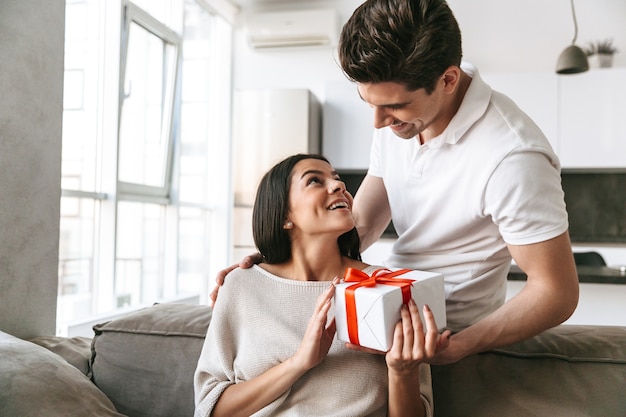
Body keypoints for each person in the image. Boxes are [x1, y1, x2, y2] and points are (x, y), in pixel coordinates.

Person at [212, 0, 579, 365]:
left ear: (447, 80)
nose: (378, 122)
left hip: (446, 340)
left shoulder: (513, 157)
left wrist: (460, 347)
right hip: (383, 307)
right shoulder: (400, 113)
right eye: (368, 101)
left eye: (395, 107)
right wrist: (273, 265)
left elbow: (556, 292)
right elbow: (363, 224)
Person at [195, 154, 445, 417]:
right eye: (315, 180)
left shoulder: (389, 288)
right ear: (284, 215)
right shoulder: (240, 287)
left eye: (337, 179)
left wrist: (402, 371)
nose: (340, 186)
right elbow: (209, 409)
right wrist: (298, 363)